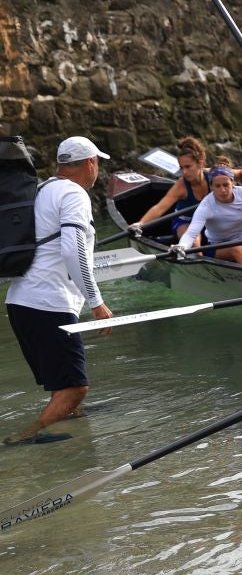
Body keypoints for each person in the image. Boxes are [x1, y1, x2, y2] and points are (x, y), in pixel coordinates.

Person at [4, 136, 114, 445]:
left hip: (19, 302)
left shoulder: (39, 191)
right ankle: (23, 441)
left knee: (62, 385)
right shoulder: (74, 194)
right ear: (90, 163)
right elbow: (72, 249)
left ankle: (67, 438)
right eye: (98, 163)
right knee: (74, 388)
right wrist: (96, 301)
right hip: (48, 304)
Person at [172, 166, 242, 269]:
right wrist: (181, 246)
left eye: (225, 185)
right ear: (211, 187)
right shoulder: (206, 206)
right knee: (237, 250)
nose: (222, 190)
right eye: (218, 186)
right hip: (218, 247)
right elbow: (191, 234)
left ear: (232, 183)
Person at [131, 136, 209, 240]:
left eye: (188, 167)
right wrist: (140, 224)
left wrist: (239, 173)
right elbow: (159, 208)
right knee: (193, 242)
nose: (184, 172)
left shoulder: (215, 176)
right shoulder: (181, 186)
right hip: (185, 222)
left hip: (208, 221)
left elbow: (237, 173)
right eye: (181, 168)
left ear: (201, 163)